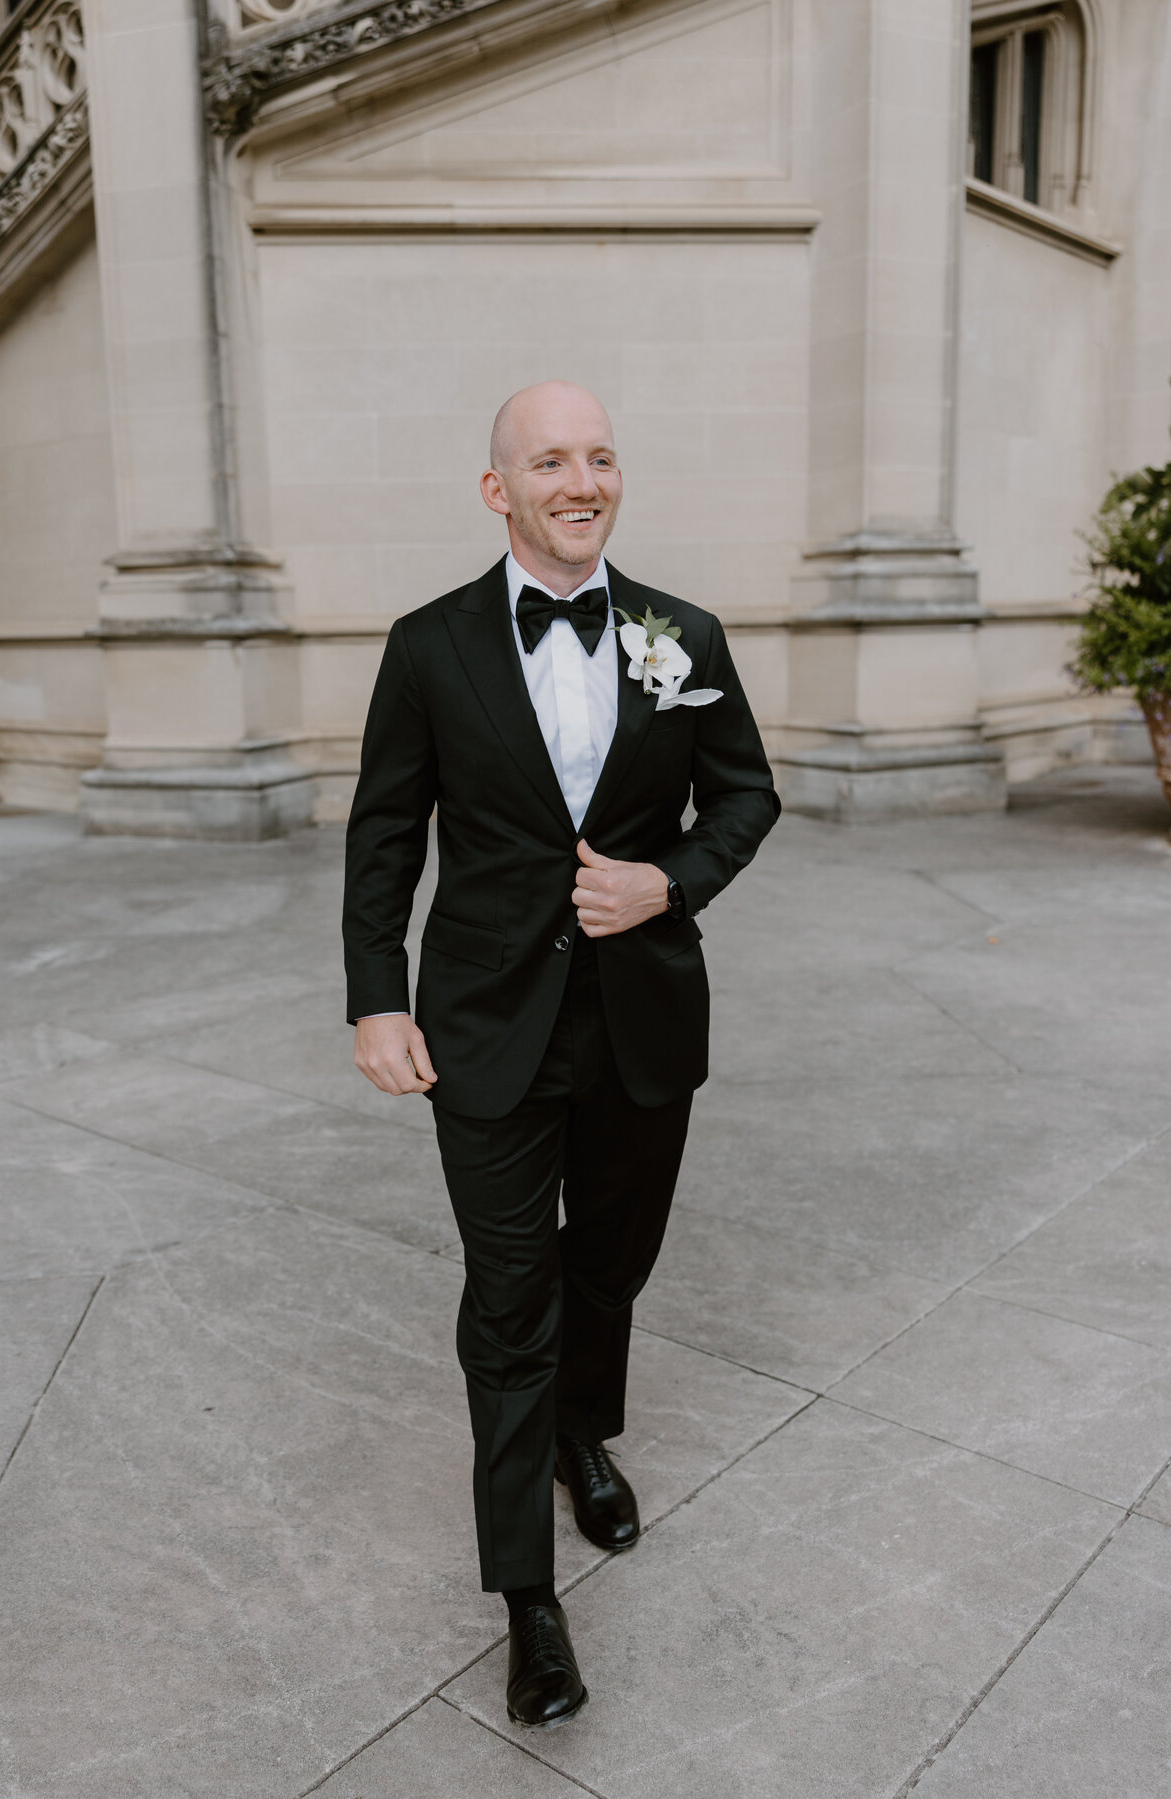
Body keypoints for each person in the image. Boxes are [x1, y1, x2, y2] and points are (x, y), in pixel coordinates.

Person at [343, 381, 780, 1728]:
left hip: (643, 1014)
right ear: (500, 491)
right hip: (484, 1019)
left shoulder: (679, 633)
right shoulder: (428, 648)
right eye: (550, 460)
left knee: (611, 1260)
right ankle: (527, 1601)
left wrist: (671, 882)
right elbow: (385, 836)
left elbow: (748, 792)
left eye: (598, 456)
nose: (580, 479)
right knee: (512, 1285)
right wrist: (378, 997)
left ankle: (584, 1431)